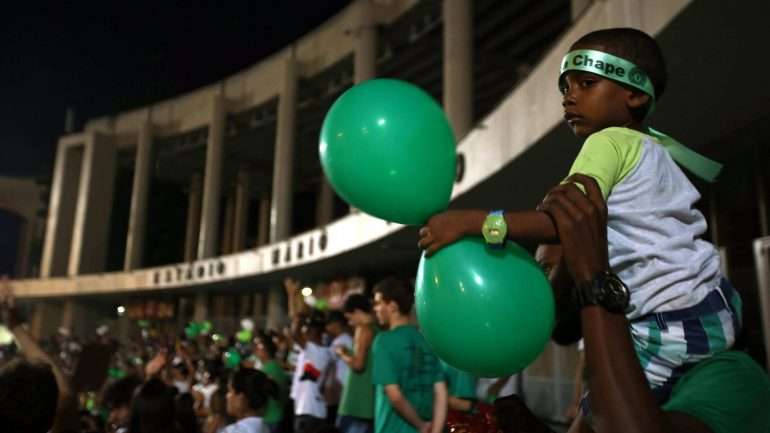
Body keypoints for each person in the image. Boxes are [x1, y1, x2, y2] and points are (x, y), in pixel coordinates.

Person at [419, 27, 741, 404]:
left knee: (601, 412)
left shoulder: (605, 142)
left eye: (585, 84)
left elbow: (566, 220)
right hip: (713, 303)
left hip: (663, 322)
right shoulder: (655, 151)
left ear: (635, 94)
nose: (569, 97)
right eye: (565, 88)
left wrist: (472, 223)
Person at [527, 174, 770, 433]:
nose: (538, 286)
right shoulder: (623, 370)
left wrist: (594, 280)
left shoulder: (734, 378)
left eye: (546, 269)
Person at [371, 277, 447, 433]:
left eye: (378, 303)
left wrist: (421, 425)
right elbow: (440, 391)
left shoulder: (383, 341)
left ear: (392, 306)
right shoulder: (426, 340)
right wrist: (436, 430)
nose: (375, 309)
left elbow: (394, 395)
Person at [335, 294, 379, 433]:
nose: (349, 323)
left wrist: (342, 353)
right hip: (370, 401)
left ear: (358, 312)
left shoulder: (363, 329)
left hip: (356, 402)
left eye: (349, 317)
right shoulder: (379, 328)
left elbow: (358, 364)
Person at [290, 312, 333, 433]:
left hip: (310, 412)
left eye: (309, 328)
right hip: (310, 411)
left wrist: (298, 319)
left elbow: (294, 334)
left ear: (318, 331)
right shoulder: (312, 350)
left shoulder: (318, 352)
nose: (306, 331)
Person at [222, 368, 278, 433]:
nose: (226, 396)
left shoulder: (234, 431)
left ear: (241, 398)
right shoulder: (263, 427)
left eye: (230, 391)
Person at [254, 335, 289, 432]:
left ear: (266, 352)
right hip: (276, 415)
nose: (256, 352)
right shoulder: (275, 367)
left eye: (259, 349)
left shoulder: (268, 370)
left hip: (270, 417)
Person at [325, 310, 353, 424]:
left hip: (343, 390)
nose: (326, 328)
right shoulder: (344, 339)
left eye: (328, 324)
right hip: (342, 389)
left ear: (336, 324)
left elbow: (325, 360)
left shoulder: (342, 341)